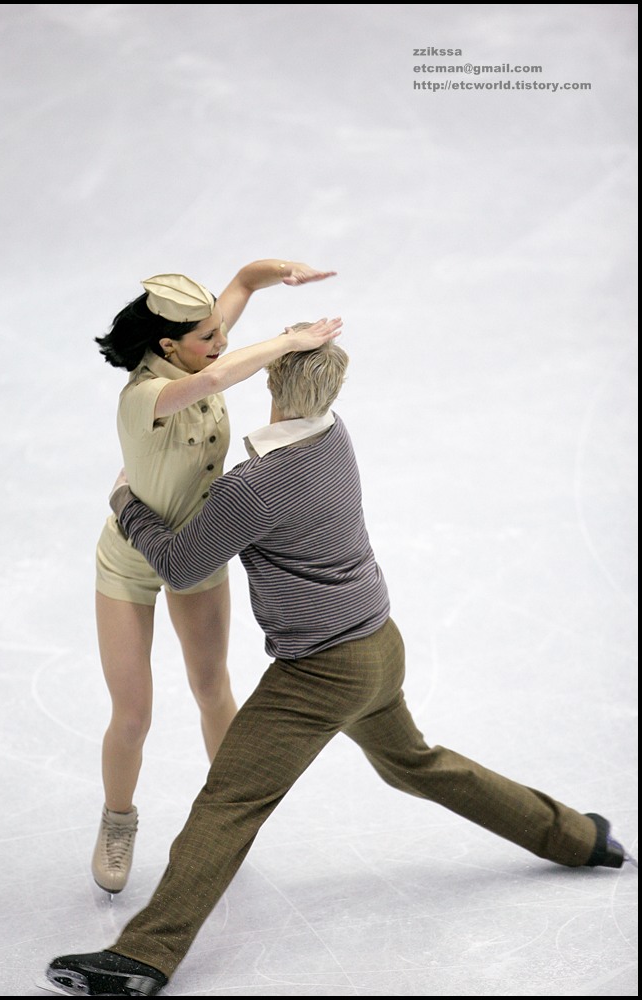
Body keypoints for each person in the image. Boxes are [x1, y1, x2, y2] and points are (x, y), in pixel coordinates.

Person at [46, 334, 636, 997]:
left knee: (229, 802)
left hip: (318, 674)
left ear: (271, 386)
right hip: (379, 645)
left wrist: (127, 506)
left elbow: (181, 563)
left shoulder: (254, 485)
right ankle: (579, 837)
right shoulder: (333, 437)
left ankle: (143, 959)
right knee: (419, 763)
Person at [89, 264, 339, 895]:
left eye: (219, 330)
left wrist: (272, 273)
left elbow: (241, 289)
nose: (221, 339)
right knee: (134, 713)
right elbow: (220, 375)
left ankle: (227, 822)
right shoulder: (145, 395)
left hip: (197, 552)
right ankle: (118, 820)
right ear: (169, 347)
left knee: (212, 687)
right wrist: (286, 344)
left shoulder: (200, 342)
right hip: (131, 557)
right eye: (208, 336)